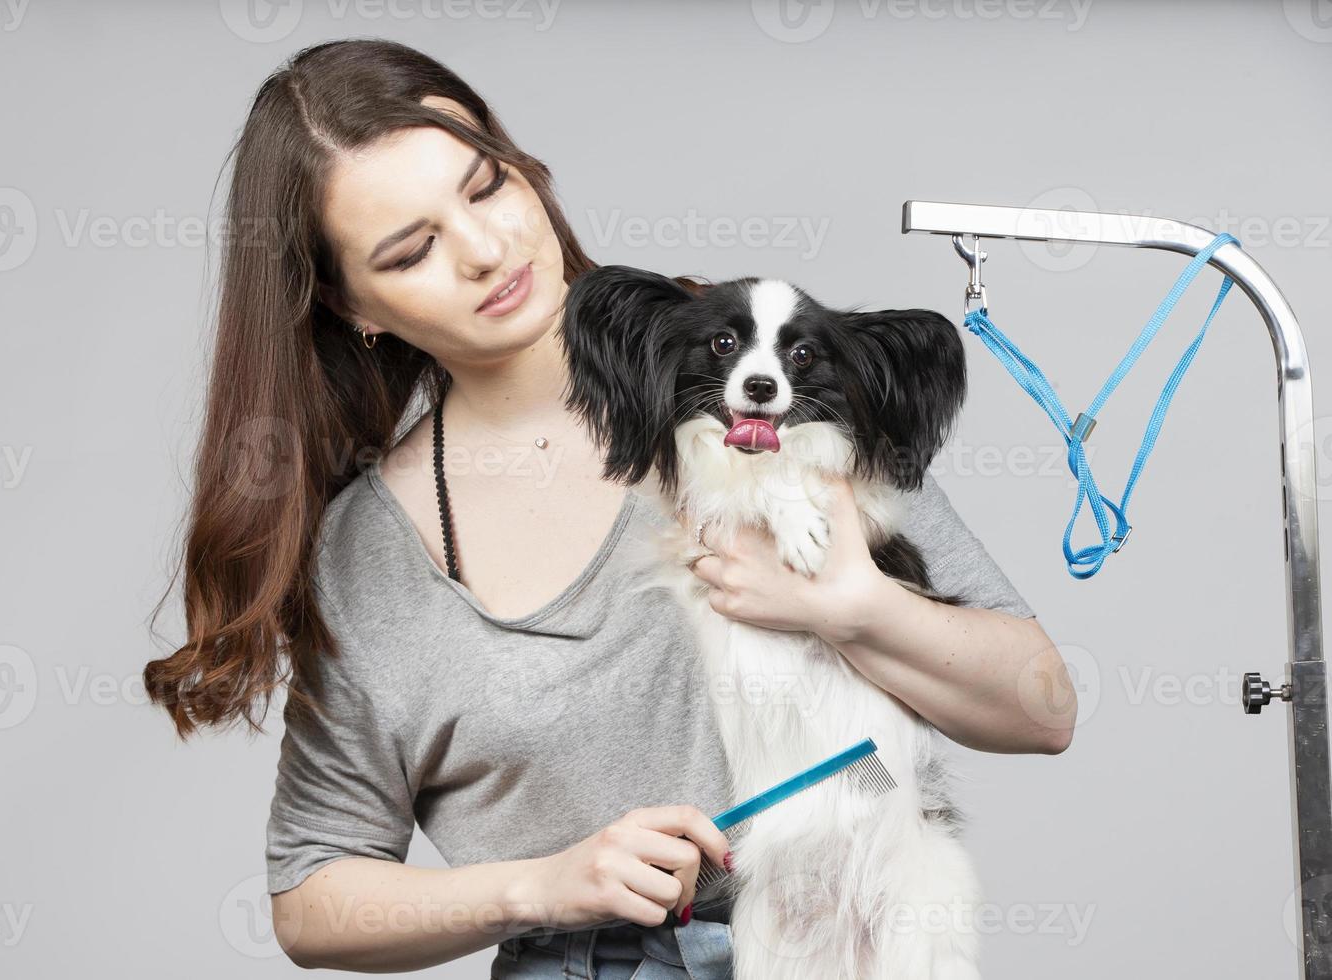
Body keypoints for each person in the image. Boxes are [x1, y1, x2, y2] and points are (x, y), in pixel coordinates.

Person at [143, 37, 1076, 978]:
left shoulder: (749, 371)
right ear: (354, 307)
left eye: (485, 188)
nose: (483, 250)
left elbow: (1039, 708)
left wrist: (854, 608)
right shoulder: (364, 556)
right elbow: (311, 896)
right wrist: (544, 885)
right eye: (413, 249)